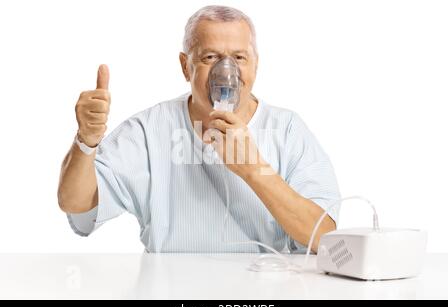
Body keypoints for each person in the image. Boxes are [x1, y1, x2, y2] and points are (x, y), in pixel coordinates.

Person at [57, 5, 340, 253]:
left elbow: (325, 237)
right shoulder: (148, 130)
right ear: (185, 66)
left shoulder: (286, 130)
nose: (227, 71)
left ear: (256, 65)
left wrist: (253, 170)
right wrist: (86, 142)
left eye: (239, 58)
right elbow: (75, 203)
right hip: (172, 289)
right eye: (210, 57)